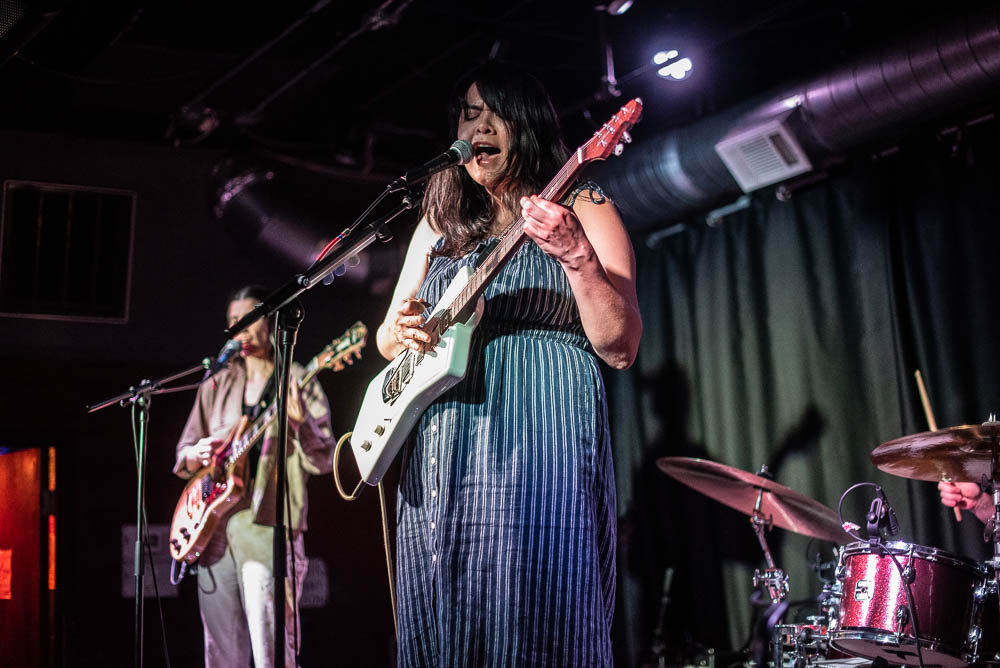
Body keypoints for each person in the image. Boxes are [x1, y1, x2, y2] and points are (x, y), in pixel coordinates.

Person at [376, 63, 642, 666]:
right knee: (446, 602)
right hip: (442, 434)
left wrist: (577, 256)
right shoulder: (440, 219)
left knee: (537, 596)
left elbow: (621, 345)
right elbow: (389, 337)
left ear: (527, 123)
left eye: (495, 113)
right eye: (469, 114)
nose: (480, 127)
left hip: (539, 420)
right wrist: (403, 330)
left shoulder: (583, 203)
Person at [174, 285, 335, 668]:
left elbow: (325, 459)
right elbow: (184, 452)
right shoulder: (216, 383)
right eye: (233, 322)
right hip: (212, 531)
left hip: (267, 529)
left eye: (246, 320)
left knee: (271, 651)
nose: (239, 329)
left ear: (269, 322)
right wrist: (196, 453)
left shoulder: (296, 378)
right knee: (220, 654)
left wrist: (301, 424)